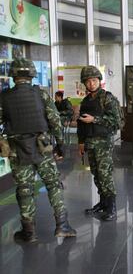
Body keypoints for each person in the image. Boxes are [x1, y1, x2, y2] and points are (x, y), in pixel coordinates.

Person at [0, 58, 76, 243]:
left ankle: (29, 232)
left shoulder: (4, 97)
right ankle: (62, 225)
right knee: (52, 184)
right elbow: (55, 121)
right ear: (32, 74)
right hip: (43, 148)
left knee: (24, 189)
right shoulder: (41, 95)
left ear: (13, 75)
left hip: (18, 151)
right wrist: (60, 144)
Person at [77, 66, 121, 221]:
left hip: (103, 143)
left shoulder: (107, 98)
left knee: (105, 175)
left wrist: (95, 119)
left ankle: (112, 207)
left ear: (99, 81)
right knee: (96, 174)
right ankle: (102, 203)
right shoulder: (86, 101)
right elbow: (81, 124)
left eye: (94, 80)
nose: (91, 84)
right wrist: (81, 142)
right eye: (88, 81)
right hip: (90, 143)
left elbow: (118, 122)